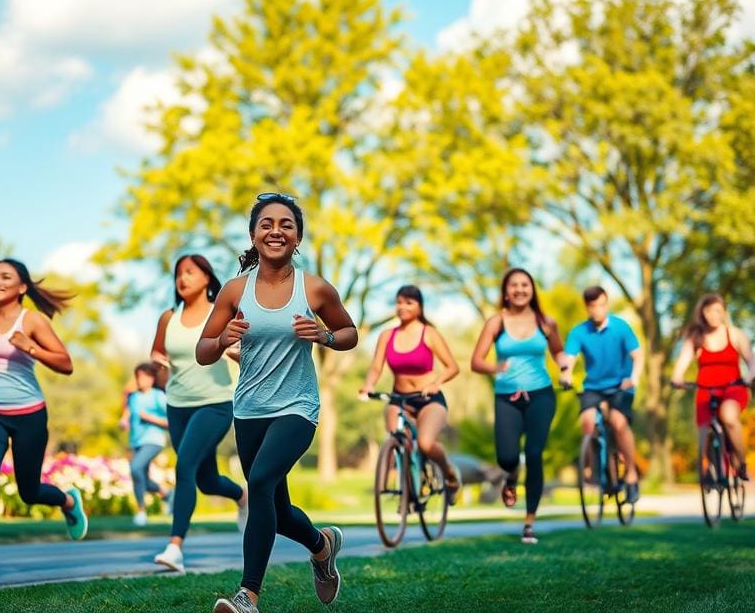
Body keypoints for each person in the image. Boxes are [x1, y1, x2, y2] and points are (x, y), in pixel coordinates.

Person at [196, 194, 358, 613]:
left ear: (297, 237)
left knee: (260, 482)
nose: (276, 231)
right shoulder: (235, 290)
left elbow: (350, 333)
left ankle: (247, 596)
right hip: (249, 410)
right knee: (278, 510)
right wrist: (222, 338)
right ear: (253, 234)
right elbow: (203, 351)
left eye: (286, 224)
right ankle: (322, 546)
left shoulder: (314, 288)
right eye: (266, 224)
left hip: (297, 408)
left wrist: (324, 336)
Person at [0, 258, 88, 577]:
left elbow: (66, 364)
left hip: (29, 415)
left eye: (6, 277)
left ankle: (68, 502)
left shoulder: (33, 321)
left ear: (22, 287)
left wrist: (30, 347)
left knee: (29, 492)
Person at [149, 254, 247, 573]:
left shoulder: (222, 313)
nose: (183, 278)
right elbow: (157, 352)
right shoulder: (168, 317)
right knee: (206, 481)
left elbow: (247, 351)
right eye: (179, 273)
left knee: (185, 466)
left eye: (190, 272)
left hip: (215, 404)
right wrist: (157, 364)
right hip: (177, 405)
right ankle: (241, 495)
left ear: (206, 277)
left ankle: (175, 547)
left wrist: (236, 353)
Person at [470, 268, 567, 545]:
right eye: (514, 285)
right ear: (506, 292)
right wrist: (496, 367)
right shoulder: (496, 322)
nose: (520, 290)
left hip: (541, 395)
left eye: (525, 285)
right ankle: (511, 478)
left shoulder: (546, 322)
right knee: (507, 457)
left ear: (532, 289)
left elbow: (559, 352)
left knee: (534, 454)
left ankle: (529, 523)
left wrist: (565, 370)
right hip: (506, 397)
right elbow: (476, 361)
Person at [359, 285, 461, 502]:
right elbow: (376, 367)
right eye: (399, 302)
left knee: (425, 443)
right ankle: (408, 489)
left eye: (409, 302)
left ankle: (450, 474)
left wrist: (436, 383)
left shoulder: (429, 333)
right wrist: (368, 385)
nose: (402, 307)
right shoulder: (387, 335)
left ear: (419, 306)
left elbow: (453, 367)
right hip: (399, 399)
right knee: (397, 440)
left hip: (428, 400)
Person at [561, 286, 644, 503]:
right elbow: (569, 358)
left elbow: (637, 355)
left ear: (607, 304)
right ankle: (600, 472)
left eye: (601, 305)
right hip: (594, 387)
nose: (597, 310)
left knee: (618, 422)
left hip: (621, 385)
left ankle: (632, 475)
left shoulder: (620, 327)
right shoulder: (579, 332)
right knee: (588, 422)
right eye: (592, 306)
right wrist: (566, 374)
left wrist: (634, 377)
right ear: (587, 308)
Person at [672, 293, 754, 481]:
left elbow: (751, 359)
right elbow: (682, 362)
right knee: (703, 435)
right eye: (709, 311)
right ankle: (709, 470)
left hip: (733, 388)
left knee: (728, 416)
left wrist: (750, 376)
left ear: (724, 311)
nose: (714, 315)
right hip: (706, 389)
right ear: (702, 313)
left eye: (718, 310)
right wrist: (677, 378)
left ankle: (741, 463)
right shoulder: (696, 338)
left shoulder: (734, 334)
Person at [121, 362, 172, 527]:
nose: (140, 380)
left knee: (135, 468)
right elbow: (128, 412)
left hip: (154, 440)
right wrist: (123, 420)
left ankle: (141, 512)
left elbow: (171, 421)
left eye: (143, 377)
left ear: (152, 379)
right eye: (138, 377)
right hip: (136, 441)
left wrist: (150, 418)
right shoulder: (134, 397)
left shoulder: (158, 396)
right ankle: (166, 494)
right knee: (142, 478)